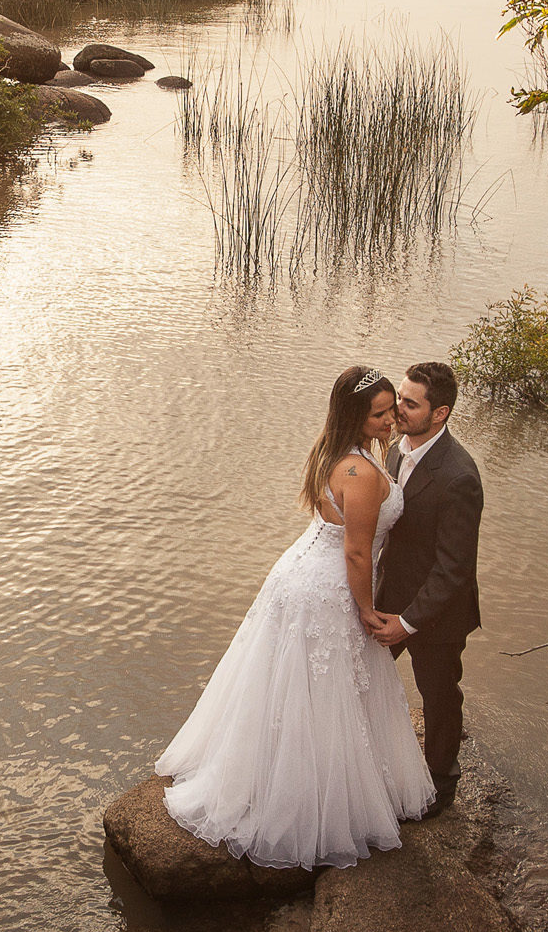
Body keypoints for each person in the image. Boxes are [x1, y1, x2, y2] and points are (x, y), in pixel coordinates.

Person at [153, 365, 435, 868]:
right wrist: (367, 609)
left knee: (290, 682)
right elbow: (356, 553)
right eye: (379, 414)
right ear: (355, 416)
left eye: (393, 408)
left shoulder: (335, 454)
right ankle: (306, 800)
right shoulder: (362, 473)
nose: (391, 420)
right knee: (324, 689)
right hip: (328, 587)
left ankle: (277, 773)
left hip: (299, 574)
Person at [364, 361, 482, 820]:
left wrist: (409, 622)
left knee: (439, 695)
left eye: (410, 404)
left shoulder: (460, 477)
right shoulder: (395, 450)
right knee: (362, 675)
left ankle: (441, 783)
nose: (397, 411)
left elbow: (454, 569)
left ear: (441, 414)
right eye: (399, 401)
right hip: (391, 598)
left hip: (438, 615)